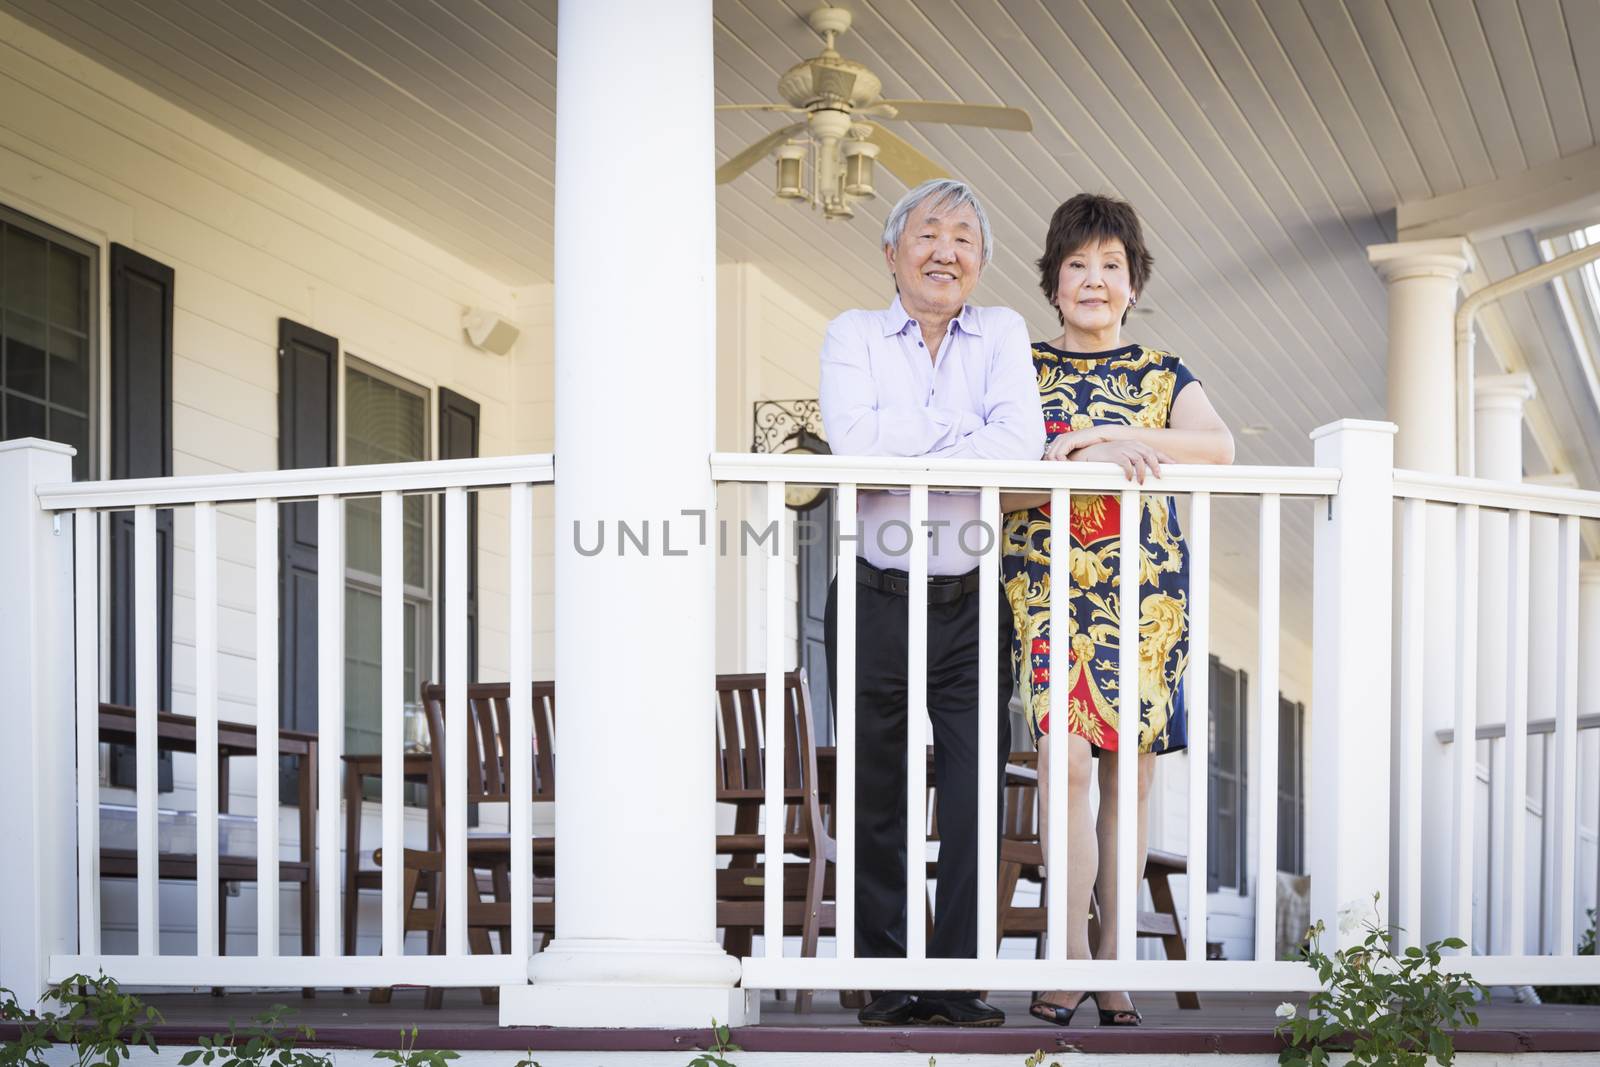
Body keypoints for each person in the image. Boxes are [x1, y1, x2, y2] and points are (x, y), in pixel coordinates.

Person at [1000, 193, 1233, 1027]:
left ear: (1133, 283)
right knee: (1062, 764)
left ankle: (1112, 964)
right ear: (1052, 281)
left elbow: (1218, 444)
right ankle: (1063, 953)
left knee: (1127, 780)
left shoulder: (1164, 373)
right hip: (1052, 580)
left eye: (1111, 265)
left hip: (1144, 590)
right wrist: (1073, 446)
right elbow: (1000, 460)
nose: (1094, 280)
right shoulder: (1016, 367)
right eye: (1077, 265)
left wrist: (1094, 435)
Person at [819, 178, 1046, 1028]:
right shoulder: (852, 334)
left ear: (980, 262)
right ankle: (885, 979)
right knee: (876, 790)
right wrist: (962, 436)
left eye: (963, 238)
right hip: (876, 592)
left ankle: (955, 982)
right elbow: (857, 447)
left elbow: (1018, 446)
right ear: (892, 253)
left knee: (972, 792)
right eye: (928, 234)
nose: (945, 250)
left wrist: (910, 429)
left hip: (968, 598)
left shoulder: (1005, 333)